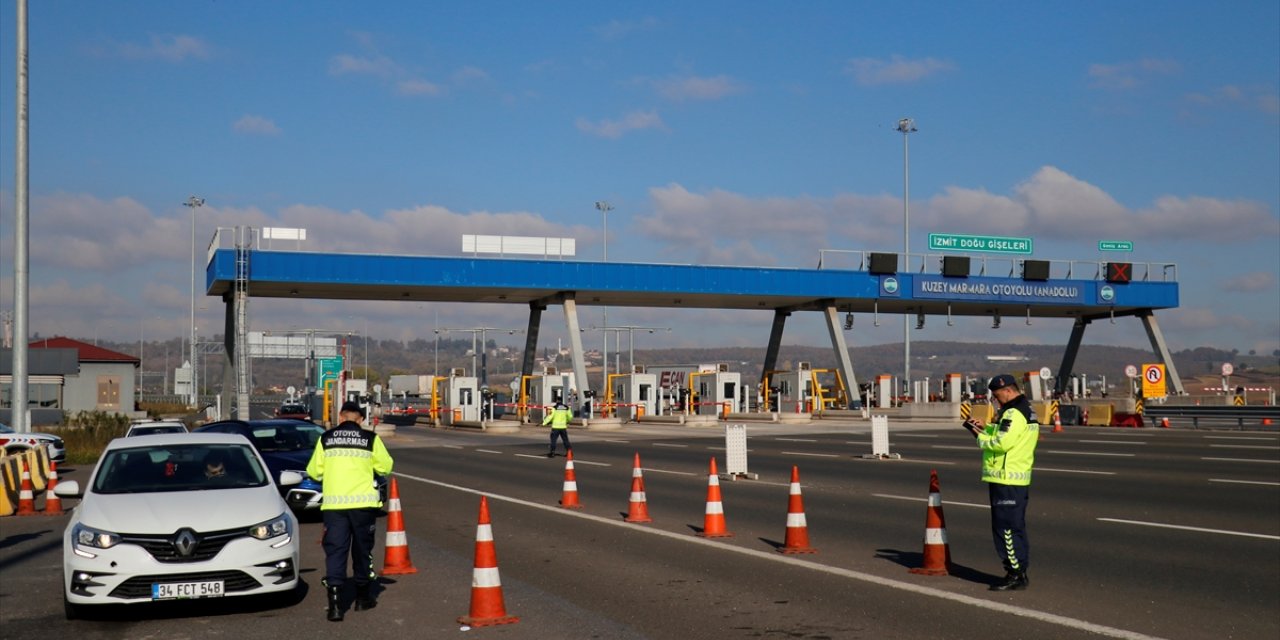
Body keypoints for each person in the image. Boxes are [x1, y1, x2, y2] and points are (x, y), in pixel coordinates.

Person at [307, 401, 394, 621]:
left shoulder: (326, 439)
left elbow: (314, 472)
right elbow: (385, 467)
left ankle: (335, 605)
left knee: (336, 551)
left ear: (340, 416)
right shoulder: (370, 439)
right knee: (362, 550)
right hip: (363, 506)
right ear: (361, 419)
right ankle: (363, 599)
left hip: (335, 507)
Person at [962, 374, 1039, 591]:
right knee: (1016, 528)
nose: (996, 401)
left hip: (1006, 478)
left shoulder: (1013, 413)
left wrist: (977, 435)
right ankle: (1018, 570)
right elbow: (1009, 434)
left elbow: (1001, 443)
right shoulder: (1026, 409)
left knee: (1006, 529)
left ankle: (1015, 574)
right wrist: (986, 426)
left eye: (997, 396)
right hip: (1016, 476)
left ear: (1007, 391)